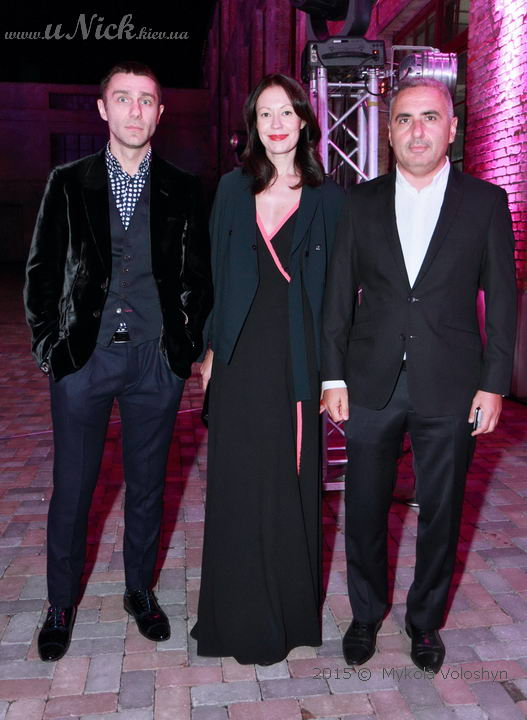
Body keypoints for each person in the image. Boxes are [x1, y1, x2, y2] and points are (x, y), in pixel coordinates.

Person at [321, 78, 517, 674]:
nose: (417, 131)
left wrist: (495, 383)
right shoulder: (360, 202)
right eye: (404, 119)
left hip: (452, 384)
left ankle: (425, 621)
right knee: (363, 505)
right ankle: (365, 612)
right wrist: (333, 377)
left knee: (442, 509)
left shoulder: (485, 202)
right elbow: (337, 297)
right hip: (370, 382)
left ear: (451, 128)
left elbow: (502, 300)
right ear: (389, 132)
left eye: (430, 117)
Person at [24, 61, 212, 662]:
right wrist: (52, 351)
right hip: (85, 360)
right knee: (73, 488)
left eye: (146, 100)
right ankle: (60, 603)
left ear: (161, 112)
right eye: (123, 98)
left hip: (156, 361)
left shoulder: (184, 187)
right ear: (103, 109)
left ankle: (140, 590)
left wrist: (185, 349)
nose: (135, 110)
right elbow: (42, 273)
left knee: (149, 486)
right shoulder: (68, 181)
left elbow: (198, 277)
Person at [190, 74, 345, 665]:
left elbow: (338, 297)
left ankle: (286, 618)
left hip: (297, 360)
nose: (276, 124)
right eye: (264, 114)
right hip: (238, 358)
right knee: (237, 485)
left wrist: (334, 374)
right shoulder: (232, 189)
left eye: (286, 112)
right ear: (253, 125)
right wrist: (210, 348)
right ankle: (231, 619)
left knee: (288, 481)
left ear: (304, 120)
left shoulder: (330, 199)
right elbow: (215, 275)